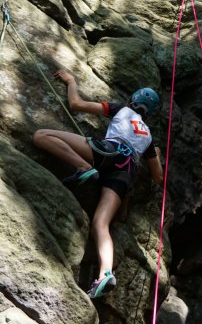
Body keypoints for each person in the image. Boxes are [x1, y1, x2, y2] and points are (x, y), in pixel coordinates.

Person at [33, 70, 163, 298]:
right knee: (100, 224)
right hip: (125, 172)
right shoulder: (149, 137)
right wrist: (157, 155)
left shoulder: (120, 109)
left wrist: (71, 81)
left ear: (132, 100)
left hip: (107, 152)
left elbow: (75, 104)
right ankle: (105, 274)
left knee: (41, 135)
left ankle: (83, 167)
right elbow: (158, 177)